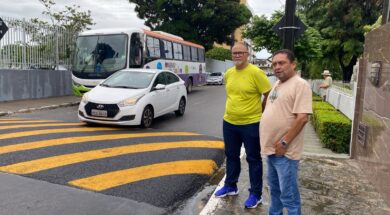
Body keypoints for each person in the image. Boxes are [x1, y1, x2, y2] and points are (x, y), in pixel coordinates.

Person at [214, 42, 272, 209]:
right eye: (234, 53)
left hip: (251, 123)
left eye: (240, 52)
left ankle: (256, 194)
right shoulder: (229, 73)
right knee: (231, 156)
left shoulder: (256, 72)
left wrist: (261, 114)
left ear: (248, 54)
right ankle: (231, 186)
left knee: (253, 159)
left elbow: (268, 94)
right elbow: (233, 95)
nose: (237, 55)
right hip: (229, 122)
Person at [260, 49, 312, 215]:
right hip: (271, 150)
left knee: (288, 195)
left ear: (293, 64)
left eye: (281, 63)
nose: (277, 67)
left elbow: (302, 118)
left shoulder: (300, 85)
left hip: (285, 153)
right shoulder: (277, 83)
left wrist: (284, 142)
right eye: (274, 64)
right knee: (274, 191)